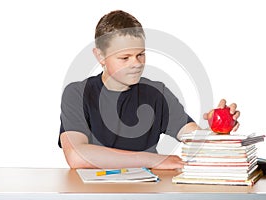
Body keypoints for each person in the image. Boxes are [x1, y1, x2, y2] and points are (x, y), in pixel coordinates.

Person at [58, 10, 240, 169]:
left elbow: (195, 140)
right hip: (92, 192)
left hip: (147, 190)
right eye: (125, 57)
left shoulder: (156, 93)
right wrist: (154, 160)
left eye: (140, 55)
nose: (136, 64)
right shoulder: (77, 93)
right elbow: (76, 156)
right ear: (100, 56)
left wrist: (217, 133)